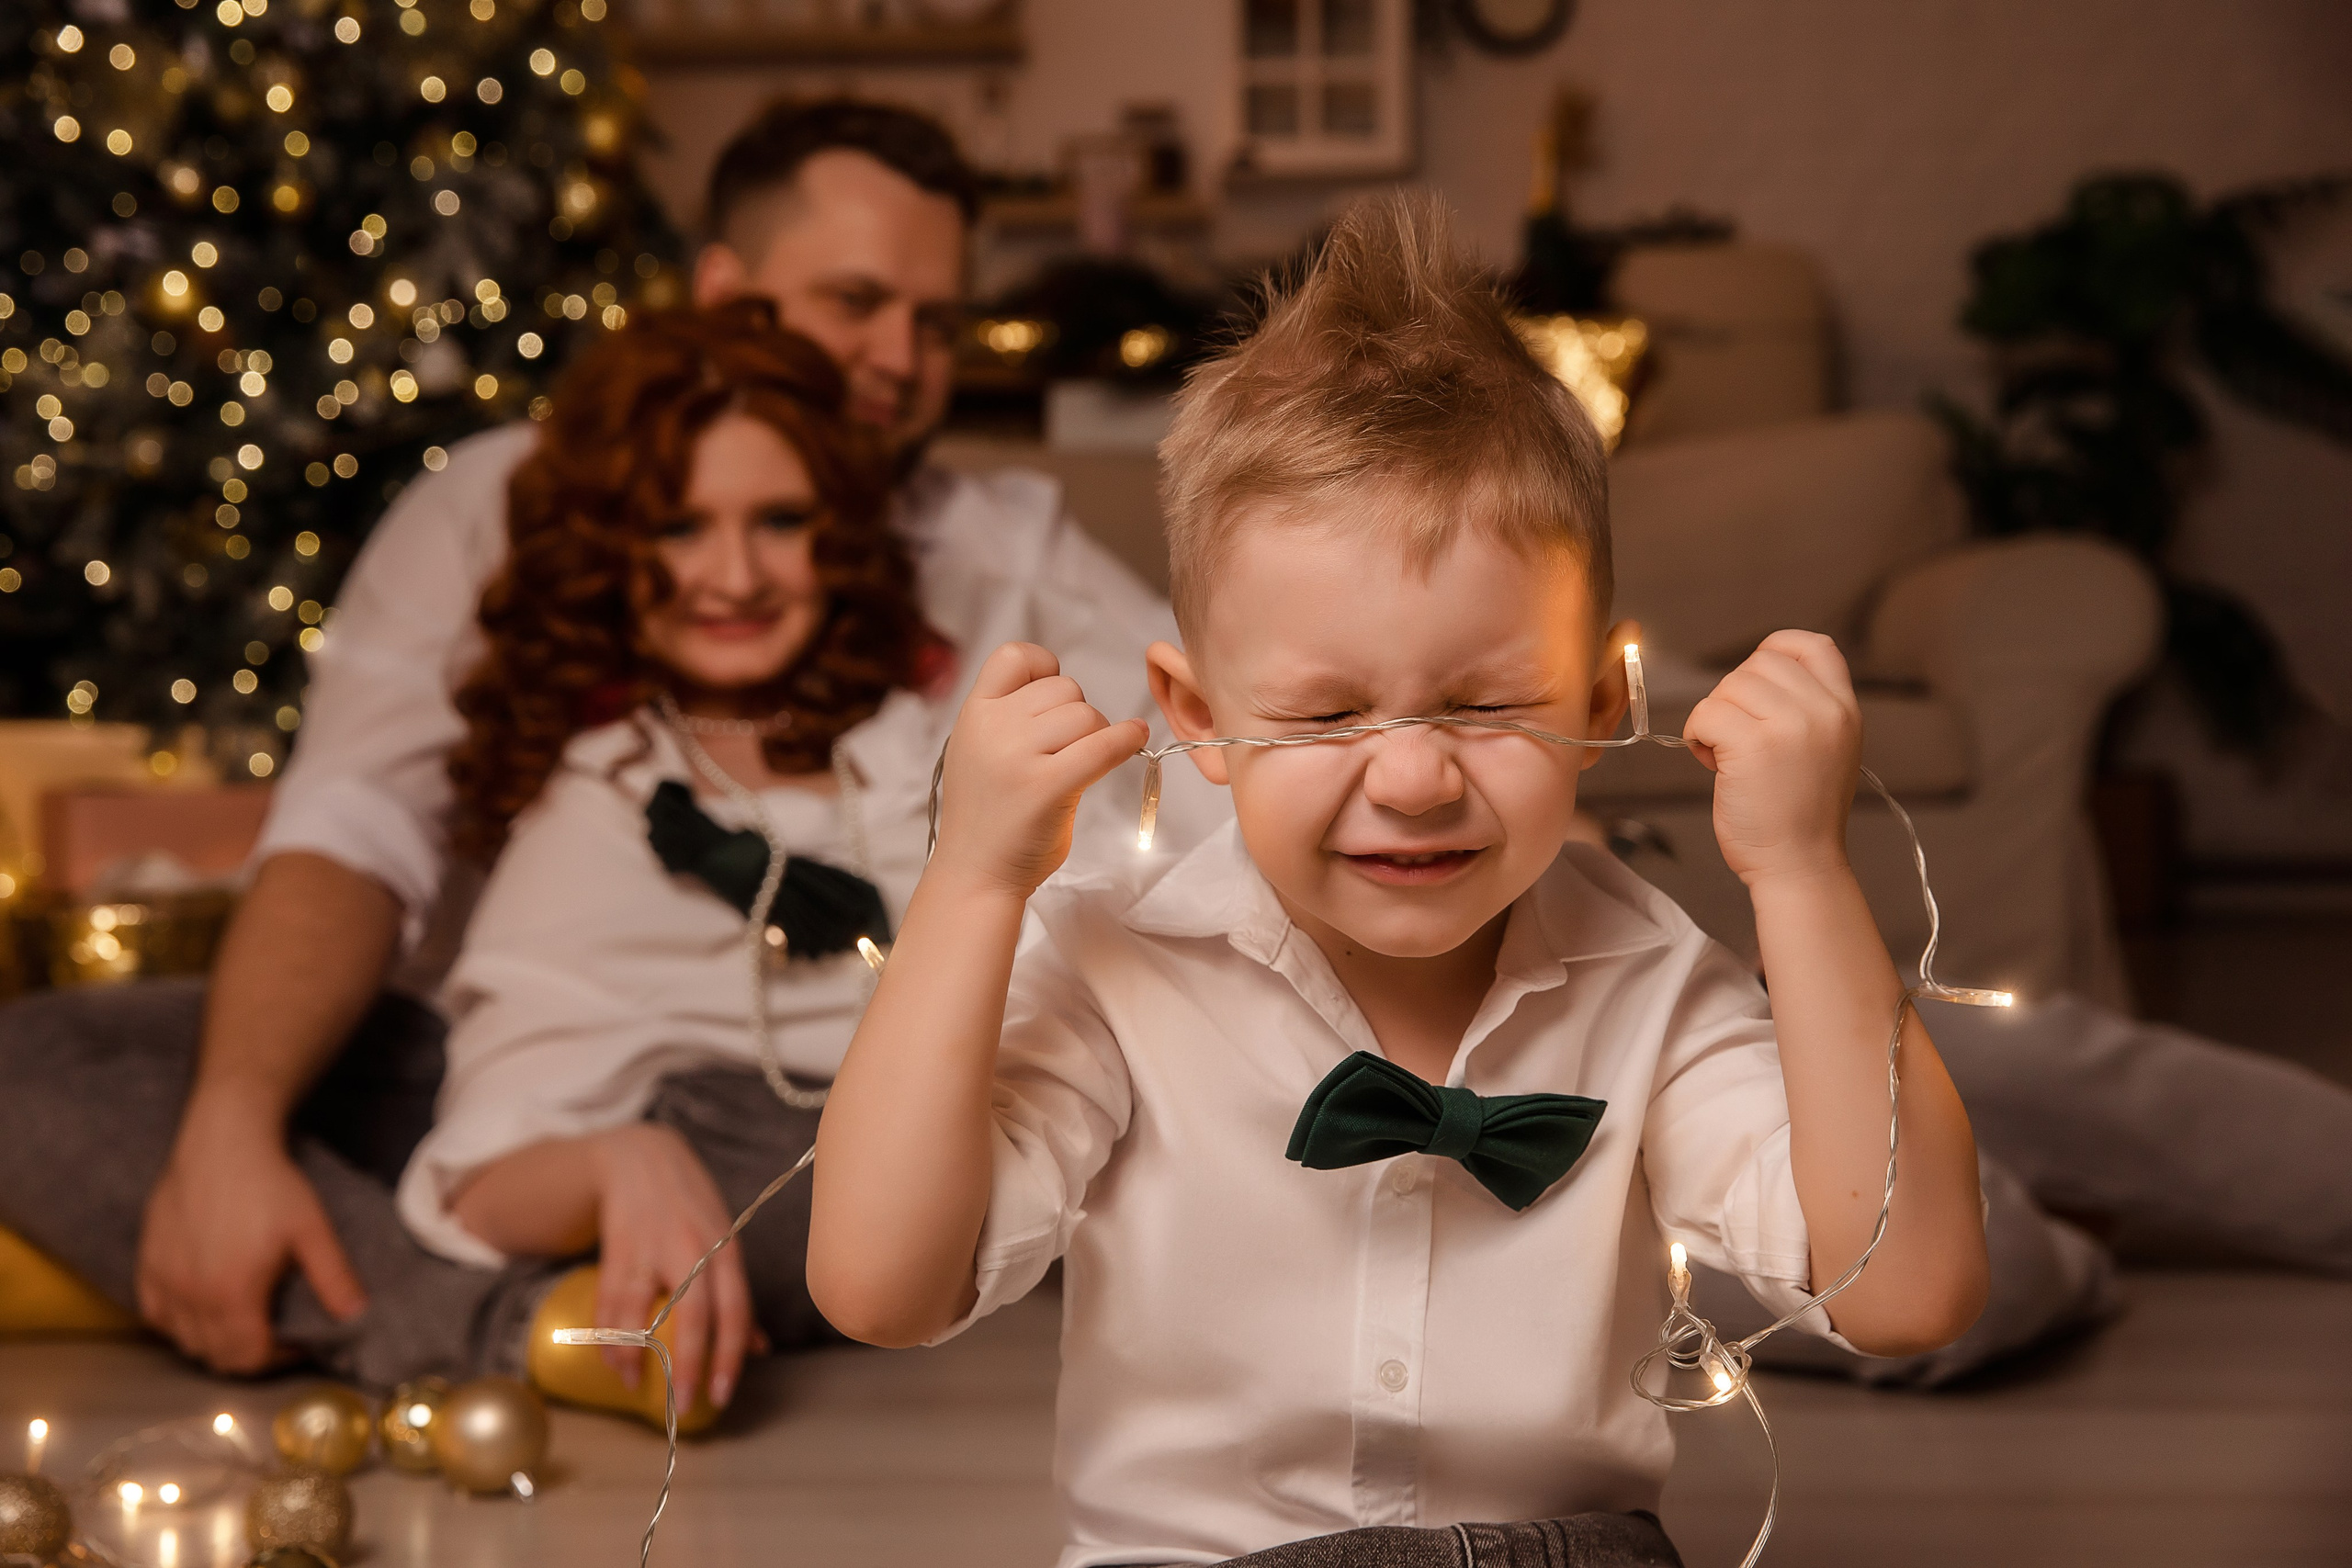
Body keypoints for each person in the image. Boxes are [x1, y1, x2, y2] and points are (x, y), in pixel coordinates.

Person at [802, 194, 1991, 1566]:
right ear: (1197, 720)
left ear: (1603, 704)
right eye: (1326, 717)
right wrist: (971, 881)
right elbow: (881, 1289)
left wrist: (1803, 869)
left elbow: (1906, 1292)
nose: (1416, 777)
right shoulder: (1113, 966)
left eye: (1488, 705)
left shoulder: (1652, 981)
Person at [0, 98, 1220, 1381]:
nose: (898, 360)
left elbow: (1206, 749)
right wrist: (232, 1127)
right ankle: (525, 1321)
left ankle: (560, 1302)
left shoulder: (996, 554)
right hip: (491, 1053)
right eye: (856, 301)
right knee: (55, 1064)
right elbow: (353, 832)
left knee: (906, 1144)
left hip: (826, 1086)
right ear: (723, 291)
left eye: (936, 324)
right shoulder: (510, 512)